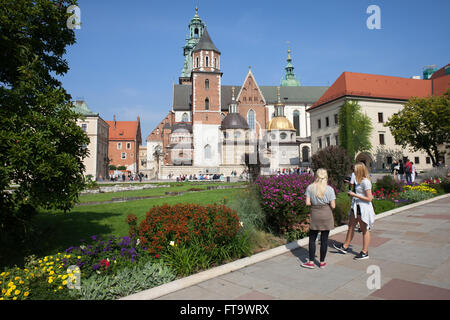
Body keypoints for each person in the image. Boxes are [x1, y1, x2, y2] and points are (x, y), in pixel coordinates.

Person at [333, 162, 375, 260]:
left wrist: (354, 195)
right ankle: (345, 246)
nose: (353, 172)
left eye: (355, 170)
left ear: (359, 171)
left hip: (363, 208)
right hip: (355, 206)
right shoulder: (358, 180)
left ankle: (365, 252)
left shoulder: (365, 182)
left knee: (365, 229)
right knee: (351, 226)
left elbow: (369, 198)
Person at [301, 168, 336, 269]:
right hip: (326, 214)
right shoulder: (330, 189)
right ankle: (322, 262)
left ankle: (311, 262)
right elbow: (333, 206)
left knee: (312, 239)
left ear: (316, 176)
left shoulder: (310, 187)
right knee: (324, 240)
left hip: (315, 213)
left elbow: (307, 203)